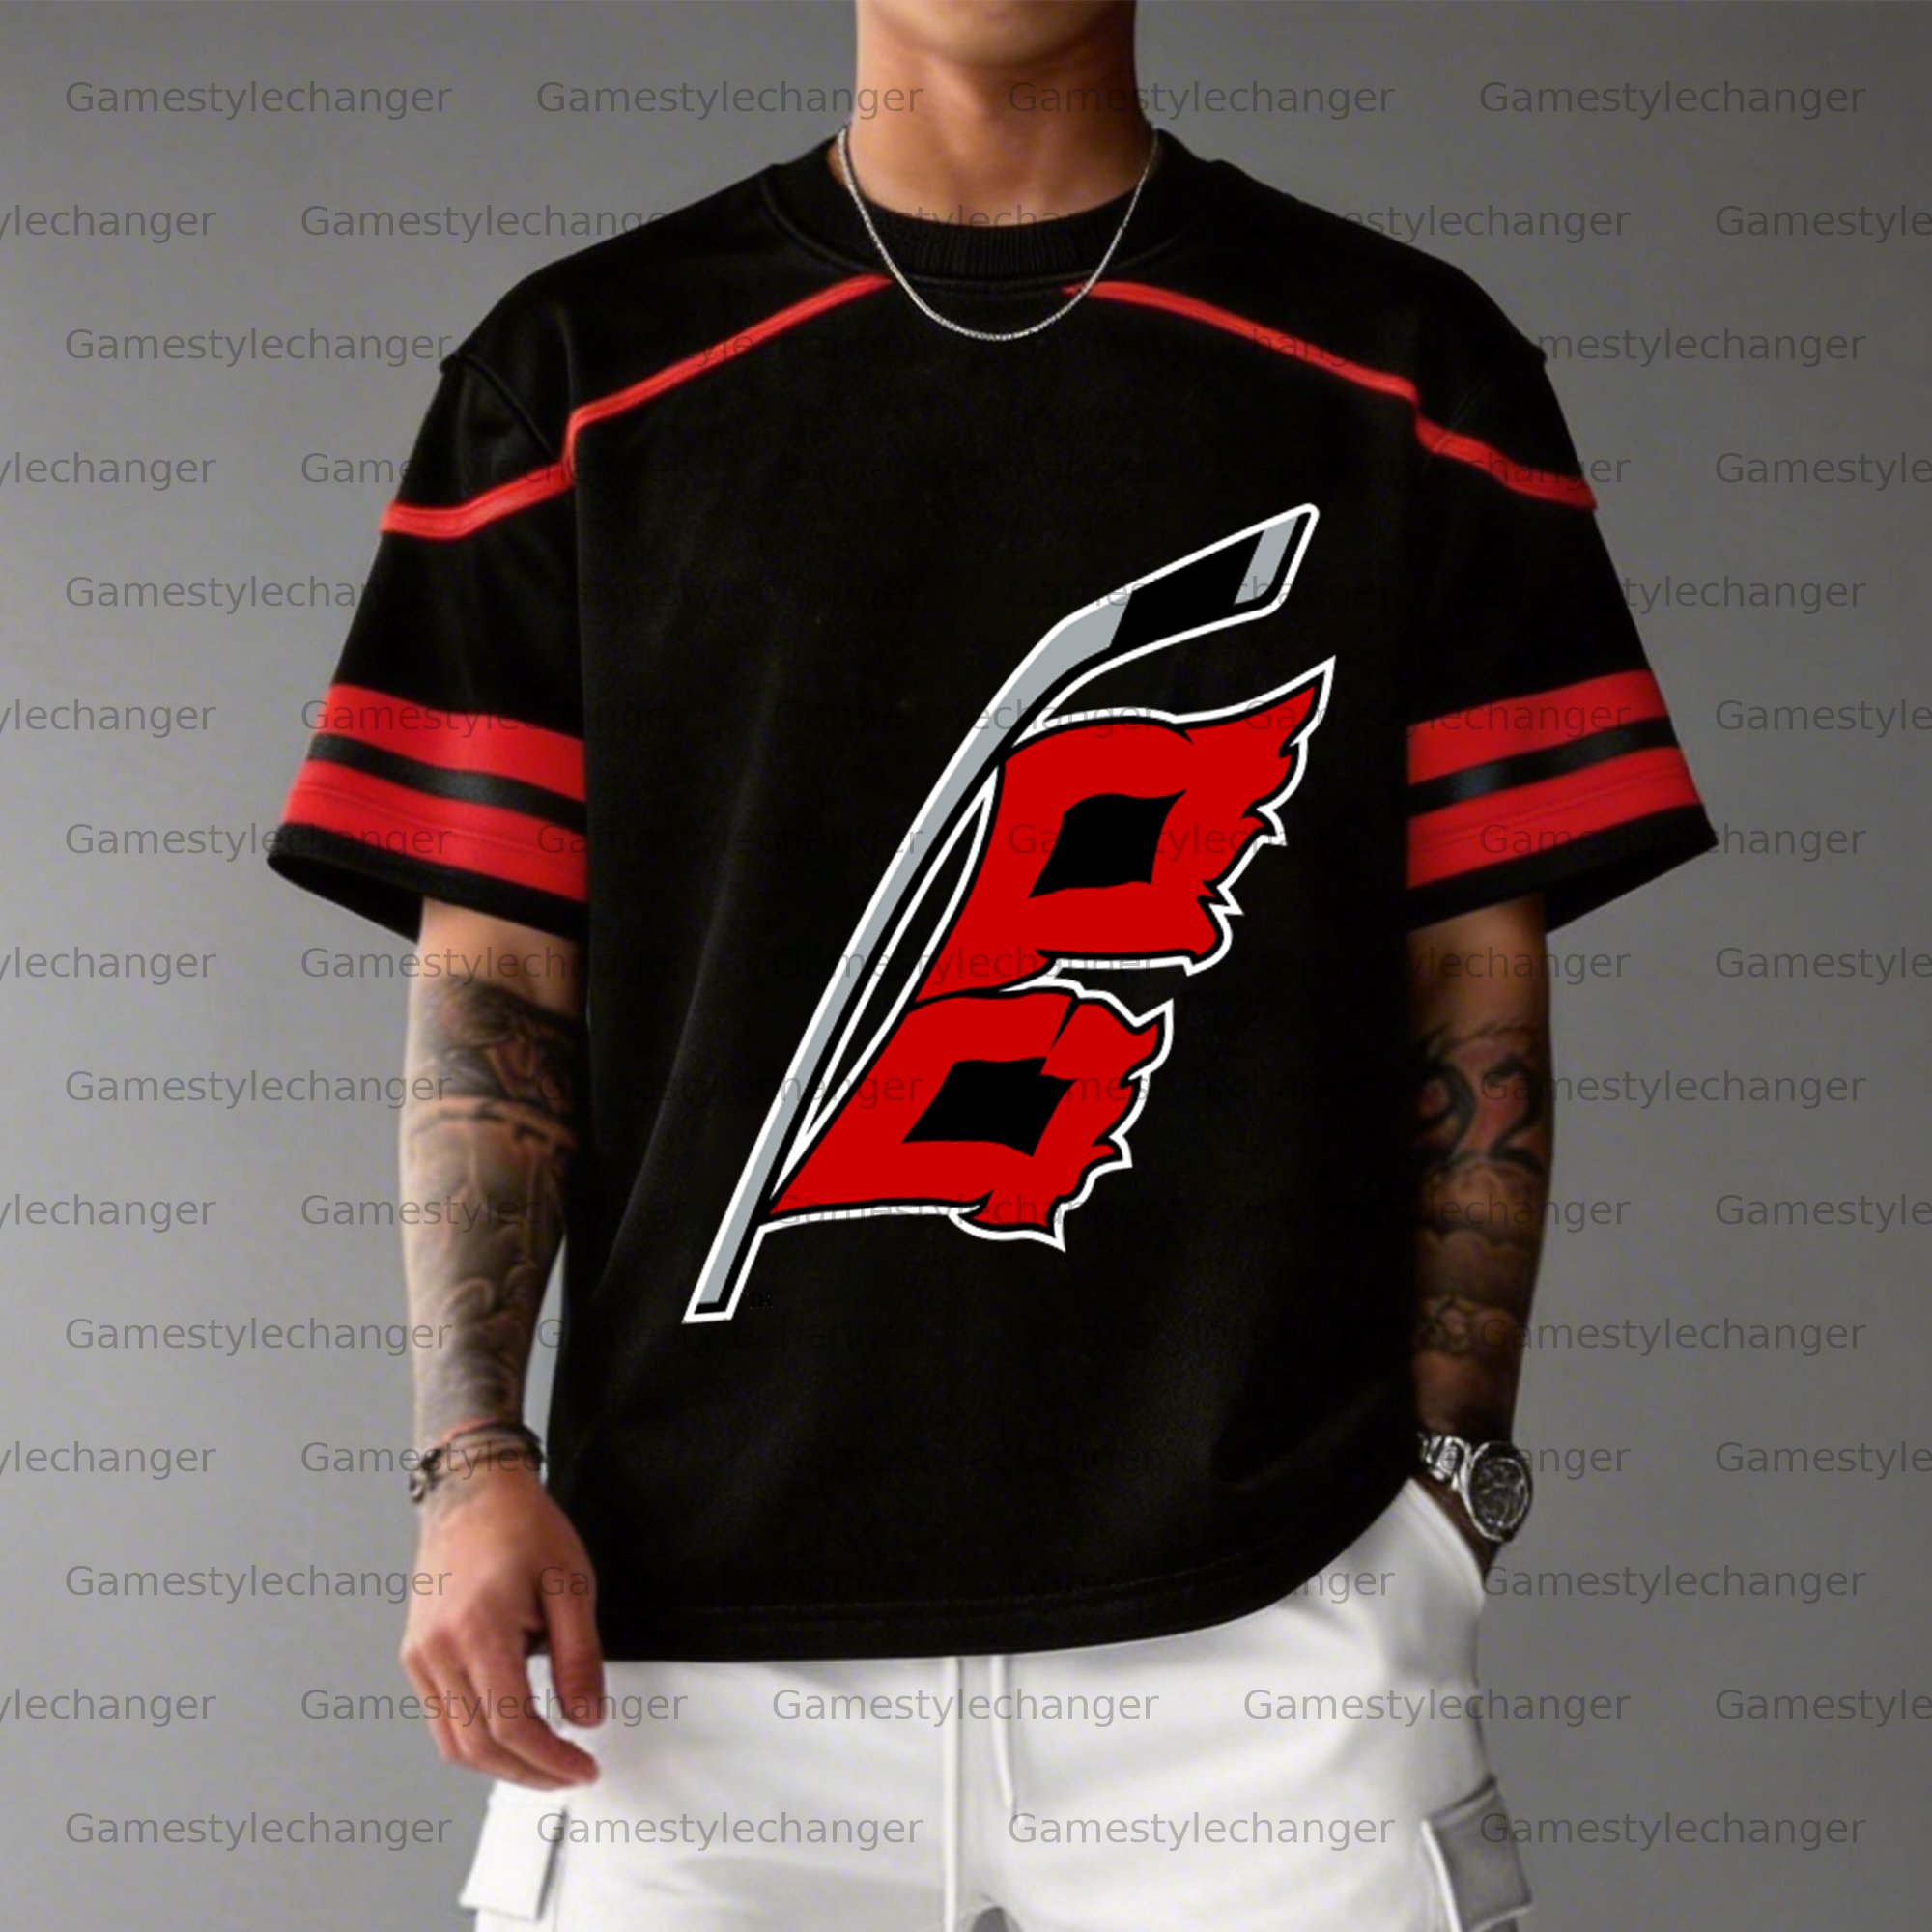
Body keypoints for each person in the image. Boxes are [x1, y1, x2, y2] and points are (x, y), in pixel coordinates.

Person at [266, 3, 1717, 1925]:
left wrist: (1444, 1503)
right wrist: (469, 1460)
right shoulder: (576, 376)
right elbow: (496, 992)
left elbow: (1473, 982)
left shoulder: (1407, 367)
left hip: (1276, 1629)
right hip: (681, 1650)